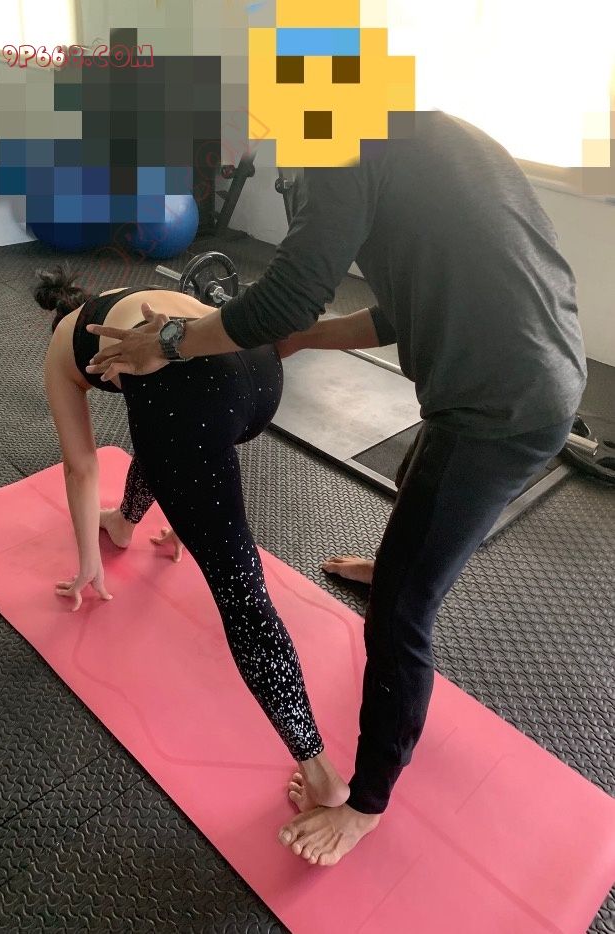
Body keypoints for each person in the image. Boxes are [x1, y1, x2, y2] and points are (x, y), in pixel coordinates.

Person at [86, 111, 587, 866]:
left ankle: (367, 804)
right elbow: (399, 310)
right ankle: (396, 565)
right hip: (537, 371)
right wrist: (306, 337)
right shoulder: (431, 134)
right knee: (422, 485)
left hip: (499, 407)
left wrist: (170, 340)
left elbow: (286, 298)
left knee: (399, 616)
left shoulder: (340, 136)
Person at [36, 264, 349, 831]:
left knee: (242, 593)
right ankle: (126, 522)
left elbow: (81, 466)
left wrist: (87, 564)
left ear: (59, 321)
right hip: (260, 373)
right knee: (162, 427)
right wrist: (189, 502)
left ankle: (320, 773)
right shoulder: (125, 297)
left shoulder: (62, 350)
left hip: (199, 402)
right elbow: (187, 399)